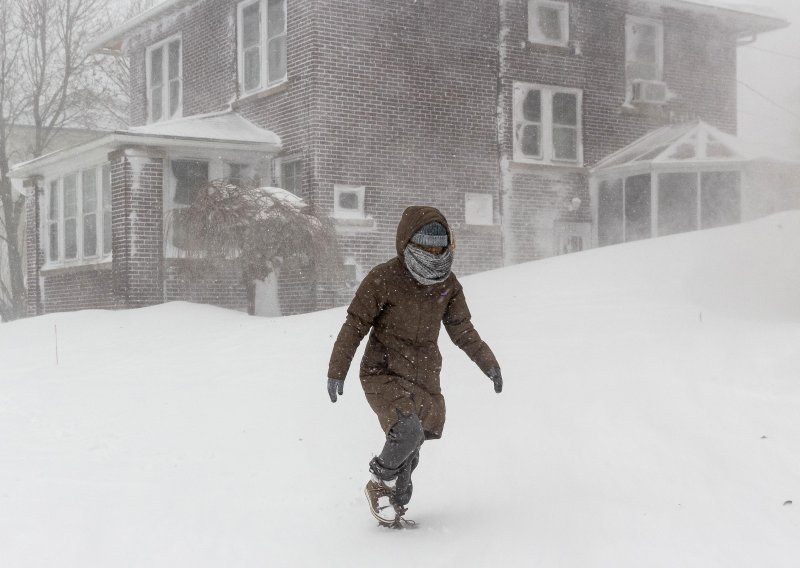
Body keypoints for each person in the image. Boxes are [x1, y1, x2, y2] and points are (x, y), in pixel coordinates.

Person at [327, 205, 503, 527]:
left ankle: (394, 521)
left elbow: (462, 330)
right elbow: (355, 325)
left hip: (422, 377)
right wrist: (337, 370)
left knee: (409, 460)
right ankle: (378, 482)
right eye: (427, 246)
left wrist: (488, 362)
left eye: (440, 246)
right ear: (409, 243)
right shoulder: (384, 279)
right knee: (407, 432)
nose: (434, 252)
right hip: (383, 373)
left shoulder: (447, 284)